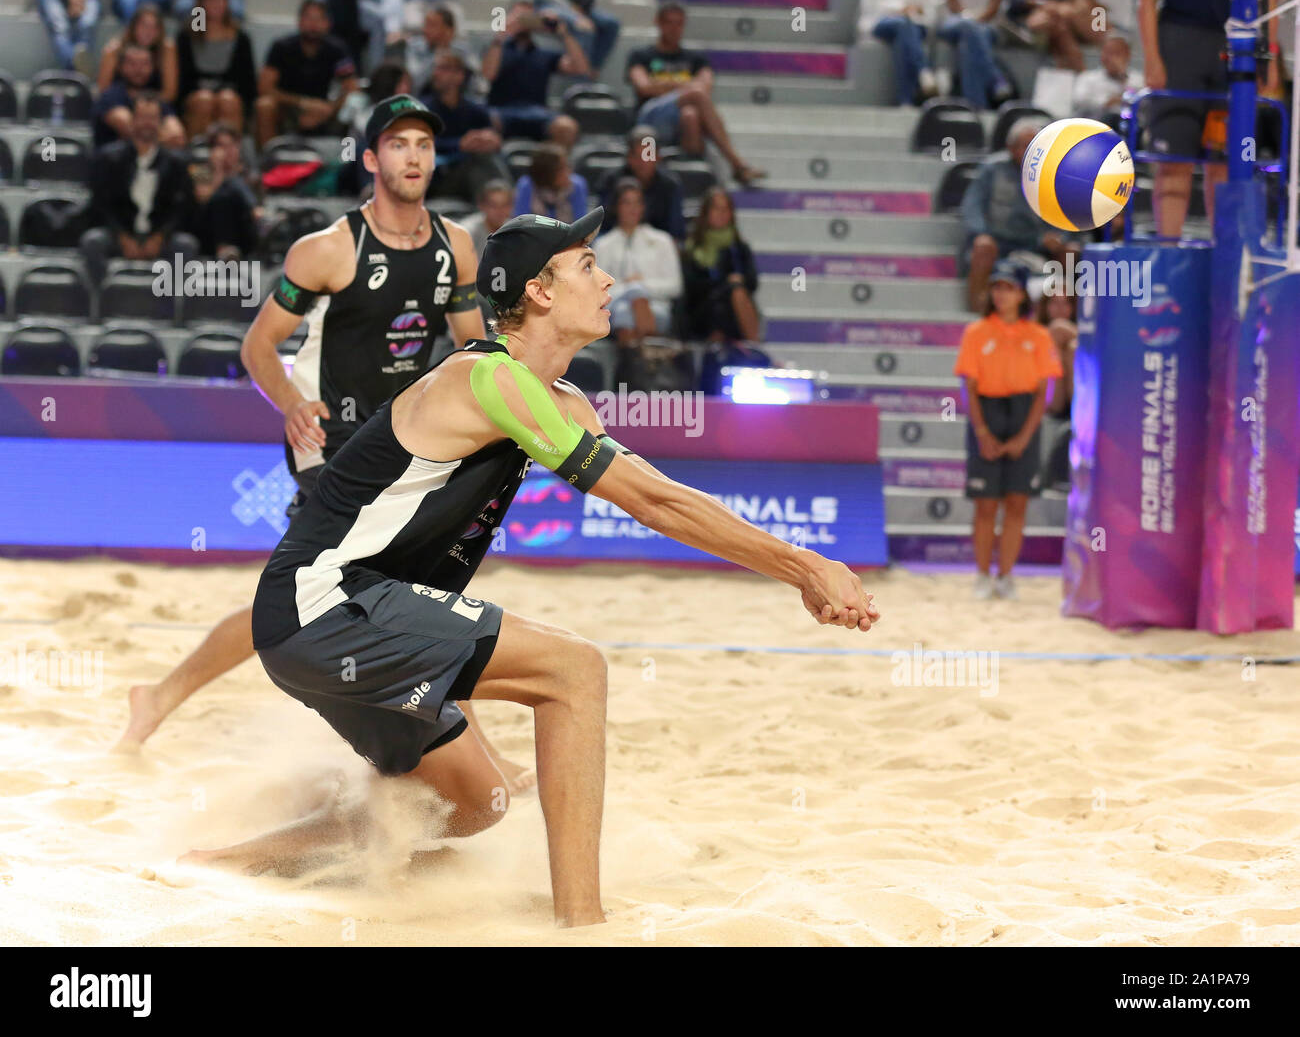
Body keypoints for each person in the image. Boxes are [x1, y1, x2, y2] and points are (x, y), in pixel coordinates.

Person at [180, 206, 878, 925]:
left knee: (472, 805)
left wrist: (799, 567)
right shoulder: (487, 378)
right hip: (324, 604)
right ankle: (582, 923)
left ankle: (219, 864)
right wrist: (802, 566)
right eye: (586, 266)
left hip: (350, 618)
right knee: (576, 671)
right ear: (540, 293)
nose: (608, 279)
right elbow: (651, 504)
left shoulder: (562, 401)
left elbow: (662, 496)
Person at [121, 96, 531, 793]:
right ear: (371, 159)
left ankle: (158, 697)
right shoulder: (329, 248)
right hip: (332, 444)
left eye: (424, 146)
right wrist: (289, 405)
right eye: (398, 144)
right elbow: (258, 345)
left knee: (376, 596)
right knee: (357, 594)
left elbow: (472, 345)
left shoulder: (456, 244)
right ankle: (159, 700)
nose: (413, 156)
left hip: (405, 444)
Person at [1138, 0, 1300, 239]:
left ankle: (1223, 253)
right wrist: (1152, 59)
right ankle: (1168, 248)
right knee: (1173, 159)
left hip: (1235, 50)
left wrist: (1269, 58)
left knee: (1224, 160)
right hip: (1180, 47)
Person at [954, 260, 1062, 600]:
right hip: (987, 413)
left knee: (1017, 503)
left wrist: (1025, 437)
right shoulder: (977, 332)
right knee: (985, 504)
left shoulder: (1039, 335)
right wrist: (983, 433)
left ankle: (1006, 575)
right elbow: (968, 386)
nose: (1001, 294)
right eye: (997, 287)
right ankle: (983, 575)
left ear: (1022, 294)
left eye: (1009, 288)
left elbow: (1043, 391)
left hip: (1023, 415)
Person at [626, 1, 766, 187]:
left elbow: (705, 87)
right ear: (658, 22)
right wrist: (687, 85)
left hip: (684, 124)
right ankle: (737, 164)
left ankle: (693, 182)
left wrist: (662, 84)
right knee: (695, 97)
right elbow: (643, 86)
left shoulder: (696, 58)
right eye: (669, 22)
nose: (674, 28)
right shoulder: (641, 55)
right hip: (650, 122)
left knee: (690, 114)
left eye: (679, 23)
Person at [80, 92, 199, 289]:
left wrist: (161, 236)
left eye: (152, 118)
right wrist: (122, 236)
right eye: (142, 117)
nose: (147, 123)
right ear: (133, 120)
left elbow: (183, 208)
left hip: (160, 235)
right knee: (92, 242)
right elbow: (100, 204)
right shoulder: (108, 158)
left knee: (186, 245)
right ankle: (99, 302)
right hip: (118, 232)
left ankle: (172, 308)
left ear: (160, 123)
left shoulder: (177, 163)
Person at [959, 118, 1078, 311]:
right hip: (998, 242)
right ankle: (979, 314)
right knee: (982, 245)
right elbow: (972, 206)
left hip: (1037, 245)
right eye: (1025, 146)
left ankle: (1064, 316)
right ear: (1011, 148)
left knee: (1070, 251)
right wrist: (981, 232)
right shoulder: (992, 169)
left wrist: (1059, 237)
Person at [255, 0, 361, 148]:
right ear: (299, 21)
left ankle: (343, 165)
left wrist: (330, 109)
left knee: (354, 108)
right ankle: (268, 161)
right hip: (289, 105)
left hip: (324, 107)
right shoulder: (282, 47)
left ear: (327, 23)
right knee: (264, 105)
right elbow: (264, 88)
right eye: (308, 18)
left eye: (318, 19)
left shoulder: (338, 49)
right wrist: (303, 103)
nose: (313, 25)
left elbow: (352, 87)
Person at [483, 2, 586, 146]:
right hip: (501, 111)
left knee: (566, 127)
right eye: (520, 16)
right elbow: (488, 74)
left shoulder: (543, 54)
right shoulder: (497, 50)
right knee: (485, 125)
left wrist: (564, 34)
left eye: (529, 17)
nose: (524, 21)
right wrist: (502, 34)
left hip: (537, 112)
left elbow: (580, 68)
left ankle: (555, 167)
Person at [593, 179, 681, 344]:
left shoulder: (662, 240)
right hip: (615, 306)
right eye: (627, 203)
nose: (632, 209)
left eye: (637, 203)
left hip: (656, 304)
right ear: (617, 207)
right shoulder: (603, 245)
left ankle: (631, 365)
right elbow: (597, 290)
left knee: (630, 311)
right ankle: (647, 363)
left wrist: (641, 287)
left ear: (643, 207)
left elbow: (675, 286)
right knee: (623, 312)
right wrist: (631, 290)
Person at [678, 186, 760, 344]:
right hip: (701, 310)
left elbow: (753, 282)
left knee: (737, 293)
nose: (721, 214)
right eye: (716, 208)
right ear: (706, 213)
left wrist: (734, 283)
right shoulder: (692, 248)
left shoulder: (739, 247)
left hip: (732, 307)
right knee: (725, 302)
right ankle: (752, 348)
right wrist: (726, 283)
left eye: (725, 209)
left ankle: (753, 347)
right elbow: (692, 286)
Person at [425, 49, 508, 204]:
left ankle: (501, 204)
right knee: (476, 165)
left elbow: (492, 134)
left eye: (443, 68)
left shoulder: (474, 109)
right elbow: (422, 144)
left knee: (487, 158)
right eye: (436, 68)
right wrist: (461, 144)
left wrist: (490, 140)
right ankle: (499, 209)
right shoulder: (422, 108)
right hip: (440, 177)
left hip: (475, 170)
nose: (436, 73)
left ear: (460, 76)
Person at [176, 0, 256, 138]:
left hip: (231, 94)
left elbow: (248, 82)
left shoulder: (241, 37)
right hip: (195, 95)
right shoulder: (186, 35)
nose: (216, 4)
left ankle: (231, 155)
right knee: (203, 100)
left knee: (228, 100)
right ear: (201, 2)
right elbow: (182, 80)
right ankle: (197, 155)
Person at [594, 124, 686, 240]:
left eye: (649, 156)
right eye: (638, 156)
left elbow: (676, 232)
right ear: (629, 158)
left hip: (658, 248)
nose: (644, 163)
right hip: (615, 245)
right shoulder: (611, 181)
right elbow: (599, 226)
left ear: (658, 157)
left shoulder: (671, 185)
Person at [92, 43, 187, 150]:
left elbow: (177, 136)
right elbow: (131, 130)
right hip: (113, 163)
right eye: (132, 64)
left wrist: (158, 136)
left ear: (153, 68)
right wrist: (163, 136)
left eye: (145, 64)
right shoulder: (110, 96)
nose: (139, 69)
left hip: (151, 163)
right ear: (120, 67)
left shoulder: (155, 98)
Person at [190, 122, 259, 258]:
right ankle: (224, 249)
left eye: (232, 145)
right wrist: (219, 171)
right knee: (225, 194)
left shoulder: (250, 174)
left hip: (243, 230)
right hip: (209, 231)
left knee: (233, 185)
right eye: (222, 146)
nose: (228, 151)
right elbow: (202, 199)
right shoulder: (202, 171)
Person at [97, 2, 179, 110]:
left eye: (154, 27)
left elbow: (169, 94)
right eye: (144, 25)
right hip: (117, 104)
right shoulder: (114, 50)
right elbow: (103, 90)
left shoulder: (167, 50)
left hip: (155, 107)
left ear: (160, 31)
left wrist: (145, 106)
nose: (148, 32)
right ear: (133, 26)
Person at [406, 2, 478, 99]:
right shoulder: (414, 47)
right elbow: (414, 83)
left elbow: (477, 84)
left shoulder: (463, 50)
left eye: (432, 25)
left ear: (449, 30)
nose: (425, 30)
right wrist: (438, 55)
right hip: (423, 102)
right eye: (425, 25)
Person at [1072, 33, 1141, 128]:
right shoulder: (1087, 78)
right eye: (1107, 52)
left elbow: (1140, 102)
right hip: (1094, 128)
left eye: (1116, 53)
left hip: (1126, 129)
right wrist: (1107, 102)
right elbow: (1080, 102)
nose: (1111, 58)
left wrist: (1122, 76)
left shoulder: (1137, 79)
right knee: (1110, 118)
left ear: (1128, 55)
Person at [513, 142, 588, 221]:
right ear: (546, 173)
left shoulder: (577, 185)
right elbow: (520, 222)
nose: (568, 172)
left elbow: (581, 223)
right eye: (561, 169)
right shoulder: (527, 185)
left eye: (567, 166)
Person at [1037, 289, 1077, 420]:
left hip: (1075, 399)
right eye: (1055, 302)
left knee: (1073, 347)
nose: (1060, 308)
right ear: (1045, 305)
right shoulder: (1033, 332)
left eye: (1066, 303)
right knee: (1056, 332)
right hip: (1049, 400)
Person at [462, 178, 514, 258]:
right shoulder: (467, 232)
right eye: (493, 205)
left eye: (505, 205)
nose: (499, 211)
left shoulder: (515, 231)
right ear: (481, 206)